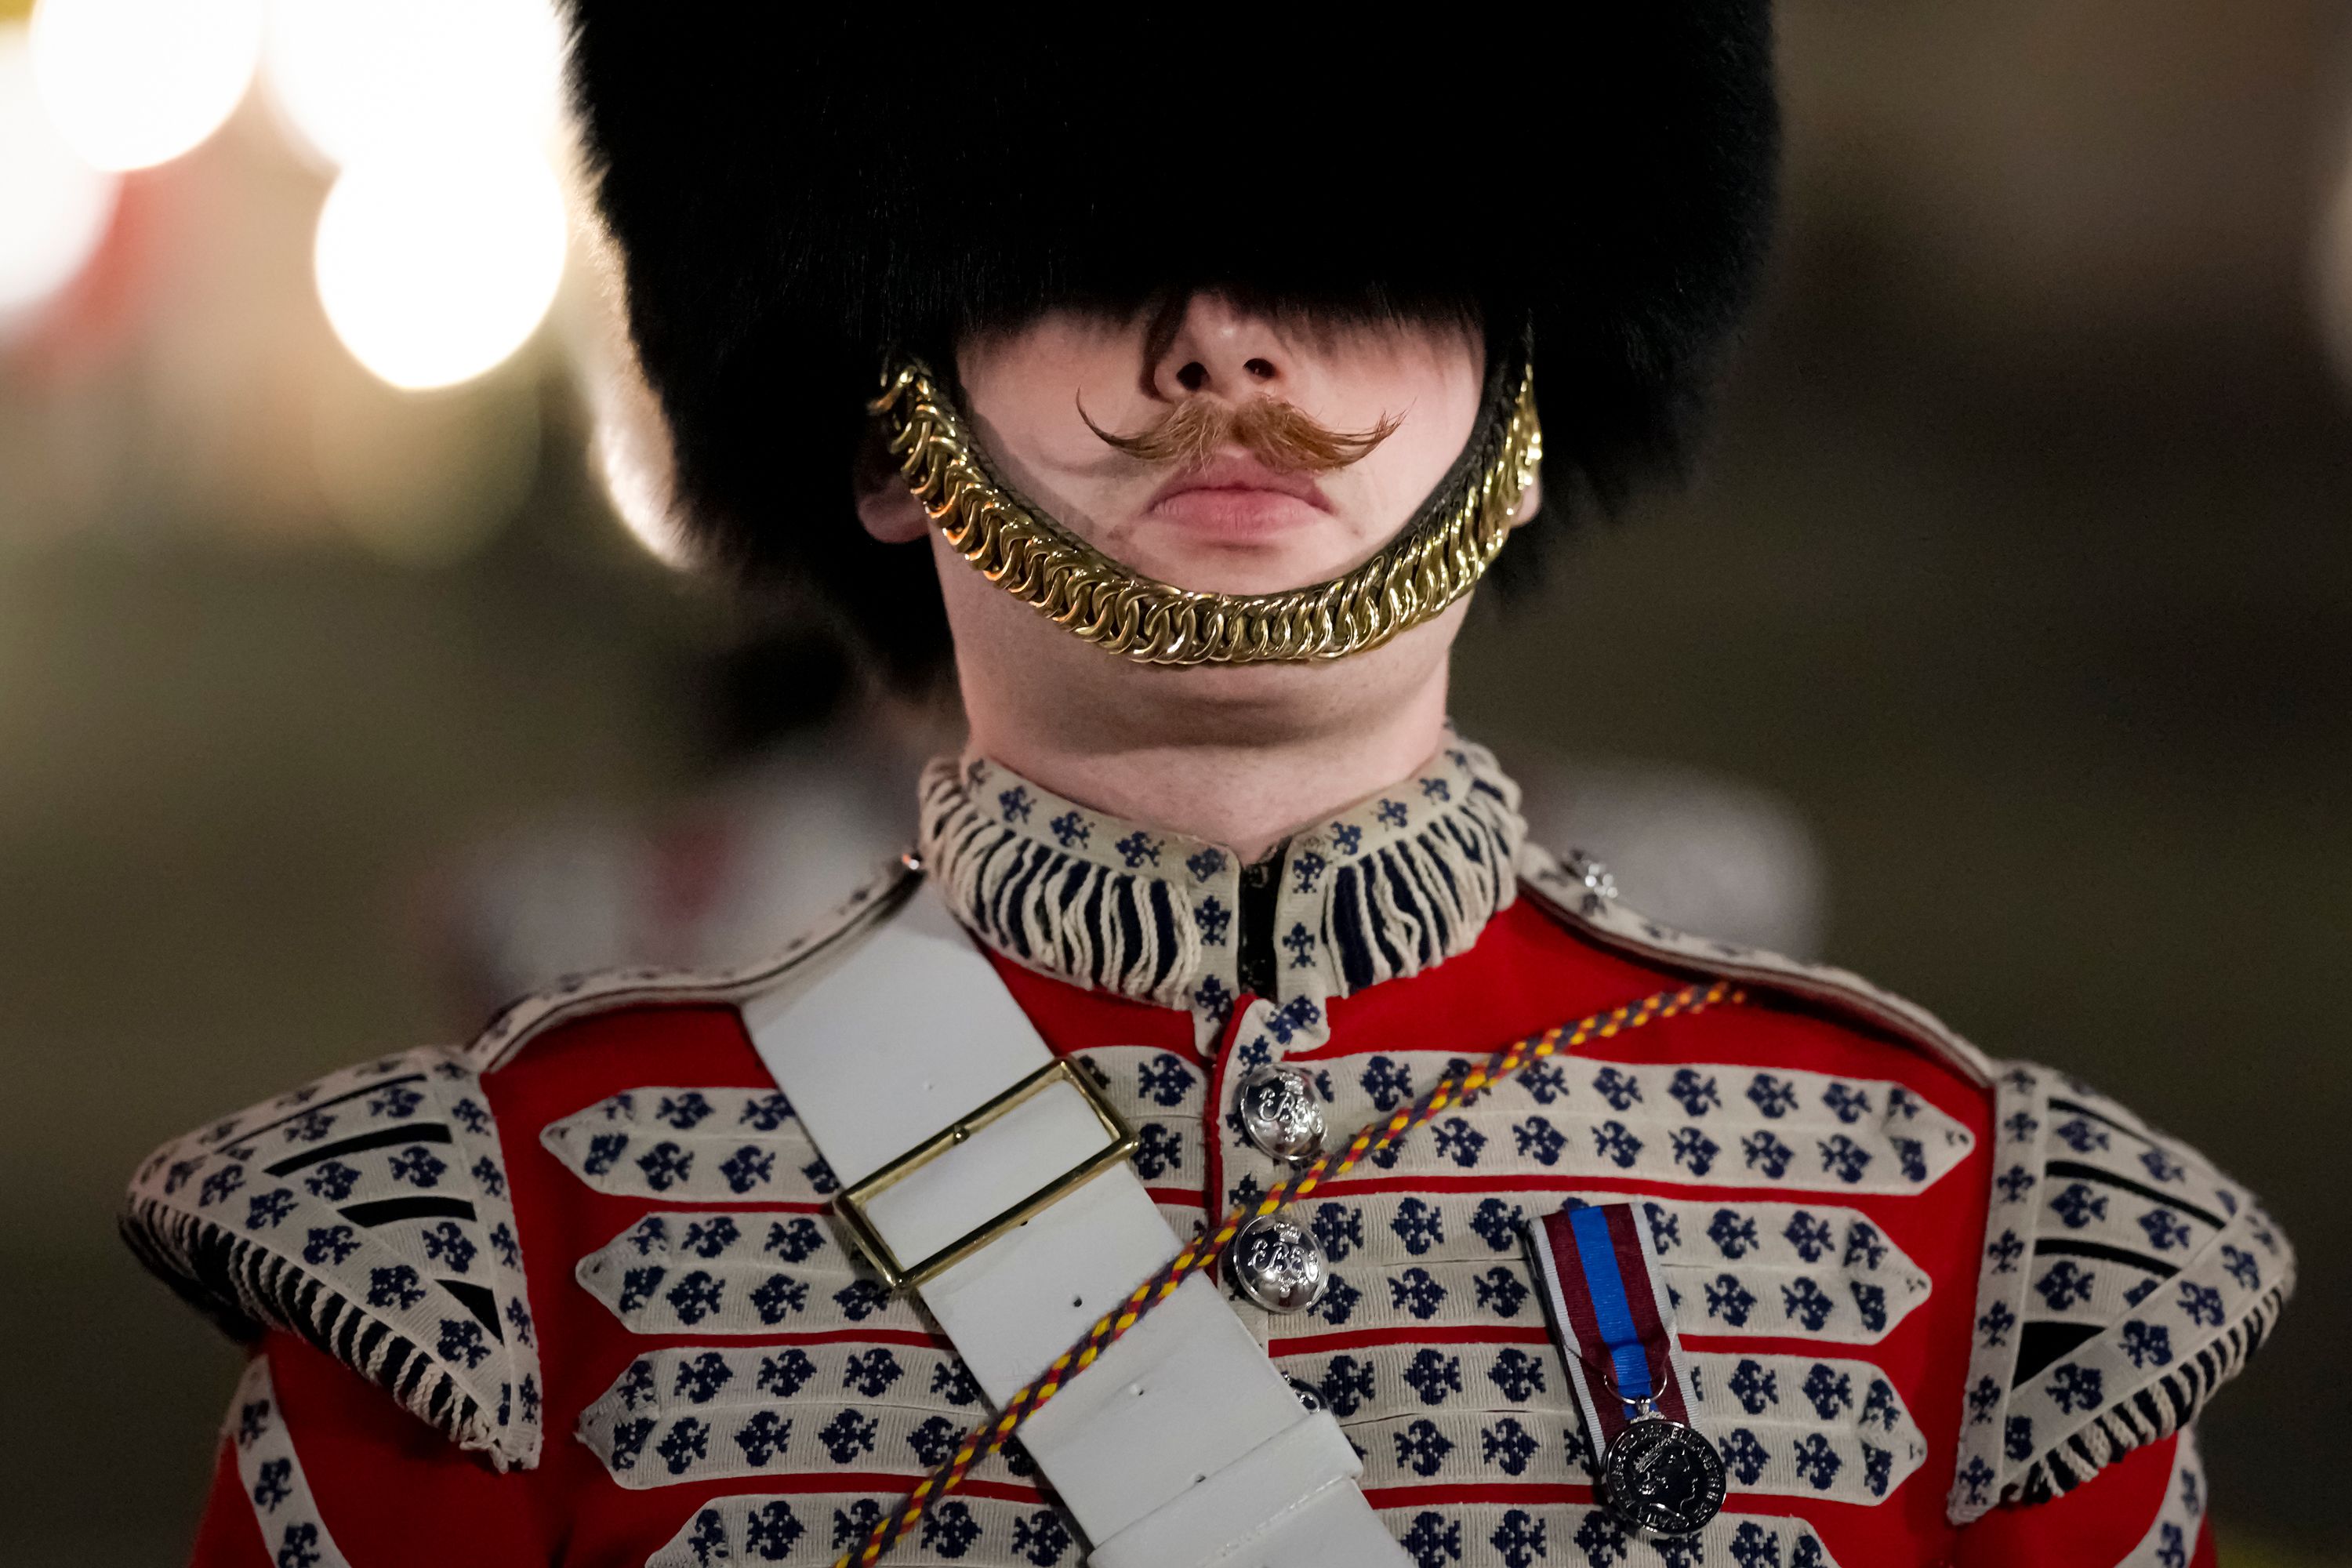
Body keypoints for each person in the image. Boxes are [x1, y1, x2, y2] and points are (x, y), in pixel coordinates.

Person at [125, 11, 2288, 1567]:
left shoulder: (1977, 1241)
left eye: (1365, 258)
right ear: (886, 432)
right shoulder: (508, 1255)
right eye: (1081, 253)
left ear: (1520, 403)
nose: (1228, 344)